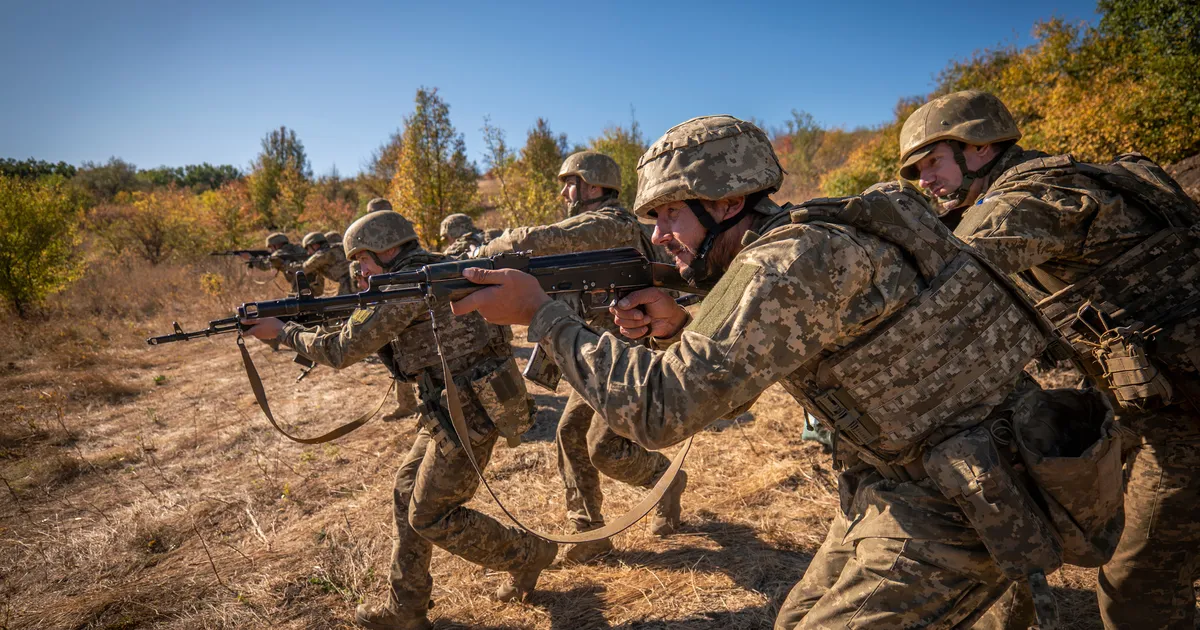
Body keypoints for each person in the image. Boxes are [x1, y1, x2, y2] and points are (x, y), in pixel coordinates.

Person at [451, 115, 1066, 629]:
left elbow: (662, 411)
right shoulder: (788, 247)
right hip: (903, 483)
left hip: (961, 497)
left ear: (726, 202)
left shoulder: (786, 263)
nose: (658, 236)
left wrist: (542, 316)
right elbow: (749, 369)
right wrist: (681, 327)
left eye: (669, 215)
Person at [901, 89, 1200, 630]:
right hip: (1150, 402)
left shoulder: (1034, 197)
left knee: (1139, 587)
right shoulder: (1060, 181)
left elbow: (947, 280)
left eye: (932, 162)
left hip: (1184, 422)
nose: (925, 181)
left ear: (981, 148)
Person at [243, 211, 556, 630]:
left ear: (388, 249)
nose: (360, 270)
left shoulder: (406, 285)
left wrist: (284, 332)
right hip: (451, 409)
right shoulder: (431, 270)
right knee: (407, 493)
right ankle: (407, 609)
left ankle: (528, 553)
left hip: (469, 414)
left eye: (363, 260)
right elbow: (366, 326)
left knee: (430, 515)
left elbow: (341, 350)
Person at [474, 150, 685, 563]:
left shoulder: (611, 223)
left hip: (630, 354)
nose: (564, 191)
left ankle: (665, 480)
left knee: (603, 447)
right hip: (599, 355)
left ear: (592, 185)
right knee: (571, 434)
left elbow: (536, 242)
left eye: (570, 182)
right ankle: (589, 531)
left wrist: (483, 254)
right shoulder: (593, 229)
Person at [300, 231, 353, 295]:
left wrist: (288, 265)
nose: (308, 252)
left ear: (314, 245)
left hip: (351, 282)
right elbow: (319, 288)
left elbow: (304, 268)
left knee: (341, 303)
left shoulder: (322, 254)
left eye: (308, 248)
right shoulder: (336, 247)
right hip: (355, 279)